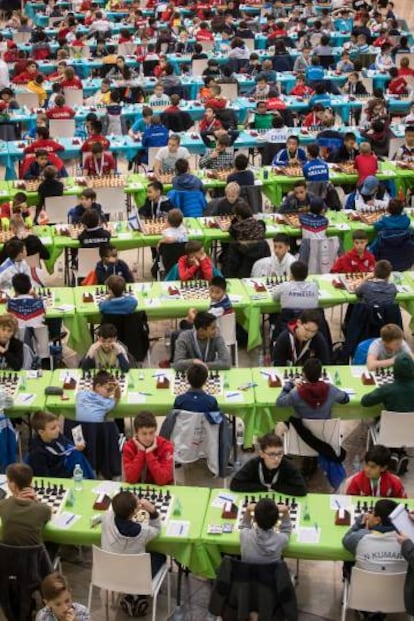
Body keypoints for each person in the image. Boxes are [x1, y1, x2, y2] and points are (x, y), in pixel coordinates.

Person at [101, 490, 165, 616]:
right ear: (134, 512)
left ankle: (133, 596)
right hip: (137, 578)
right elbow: (157, 530)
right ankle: (137, 594)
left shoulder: (106, 518)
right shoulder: (141, 532)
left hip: (109, 574)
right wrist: (152, 511)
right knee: (160, 556)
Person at [230, 433, 307, 496]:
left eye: (280, 453)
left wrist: (274, 487)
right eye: (272, 454)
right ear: (262, 454)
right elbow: (235, 485)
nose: (277, 458)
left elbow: (302, 490)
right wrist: (264, 488)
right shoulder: (253, 464)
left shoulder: (287, 465)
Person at [342, 499, 407, 574]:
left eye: (372, 513)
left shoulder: (360, 536)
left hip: (363, 584)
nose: (370, 515)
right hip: (399, 585)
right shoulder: (408, 541)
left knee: (348, 562)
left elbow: (346, 540)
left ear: (377, 520)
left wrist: (359, 523)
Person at [28, 410, 94, 479]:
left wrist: (77, 447)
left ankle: (89, 479)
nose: (58, 430)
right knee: (76, 457)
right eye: (53, 428)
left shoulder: (56, 436)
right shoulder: (37, 453)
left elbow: (68, 444)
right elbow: (45, 478)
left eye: (58, 426)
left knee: (77, 455)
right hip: (57, 477)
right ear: (41, 432)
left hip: (64, 467)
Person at [276, 357, 349, 419]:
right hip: (324, 432)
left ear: (303, 375)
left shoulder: (297, 393)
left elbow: (279, 403)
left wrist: (289, 385)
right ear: (320, 375)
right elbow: (346, 399)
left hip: (302, 432)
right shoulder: (331, 389)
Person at [0, 463, 51, 545]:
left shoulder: (3, 504)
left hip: (6, 556)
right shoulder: (43, 509)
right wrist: (36, 501)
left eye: (8, 481)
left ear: (13, 485)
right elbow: (49, 513)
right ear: (30, 482)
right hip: (35, 556)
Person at [122, 411, 174, 485]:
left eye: (151, 432)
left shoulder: (166, 446)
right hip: (138, 489)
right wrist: (141, 452)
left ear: (155, 430)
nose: (148, 438)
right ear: (136, 433)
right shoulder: (129, 447)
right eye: (144, 433)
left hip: (160, 489)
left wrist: (149, 454)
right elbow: (131, 479)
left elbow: (162, 480)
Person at [240, 498, 292, 564]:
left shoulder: (245, 535)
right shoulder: (281, 540)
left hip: (248, 573)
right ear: (277, 521)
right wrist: (285, 511)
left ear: (255, 519)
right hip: (271, 574)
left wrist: (248, 509)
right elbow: (286, 531)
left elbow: (244, 526)